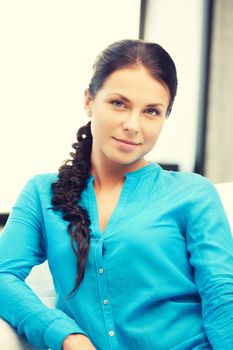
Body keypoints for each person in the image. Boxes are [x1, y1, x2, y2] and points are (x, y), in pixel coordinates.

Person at [0, 39, 233, 350]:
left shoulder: (193, 193)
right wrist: (67, 336)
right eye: (119, 103)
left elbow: (221, 294)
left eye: (151, 111)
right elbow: (3, 276)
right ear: (88, 101)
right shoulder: (43, 193)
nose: (132, 125)